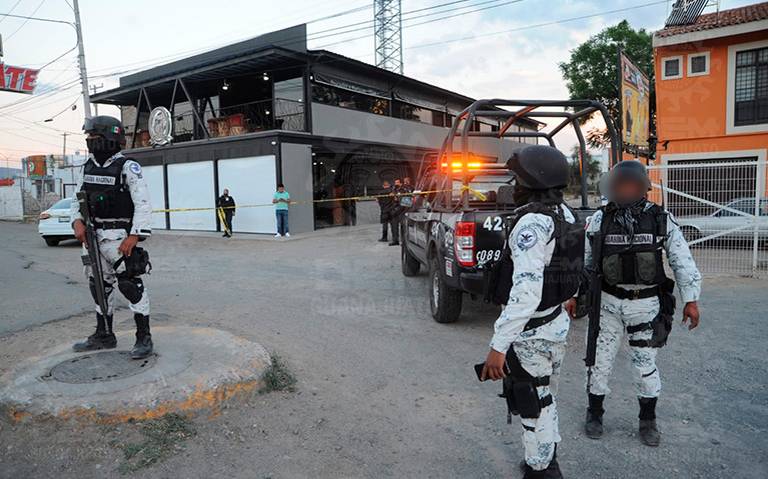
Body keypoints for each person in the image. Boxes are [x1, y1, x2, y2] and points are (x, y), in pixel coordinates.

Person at [565, 160, 702, 447]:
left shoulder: (660, 219)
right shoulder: (600, 219)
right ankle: (595, 413)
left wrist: (691, 299)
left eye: (631, 185)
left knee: (645, 365)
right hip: (608, 304)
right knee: (599, 363)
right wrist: (574, 295)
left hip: (646, 305)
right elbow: (586, 262)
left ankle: (648, 421)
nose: (625, 189)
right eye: (620, 185)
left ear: (642, 188)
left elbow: (681, 259)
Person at [482, 145, 583, 479]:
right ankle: (546, 456)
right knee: (544, 393)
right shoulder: (564, 213)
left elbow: (526, 292)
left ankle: (541, 470)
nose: (513, 186)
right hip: (554, 322)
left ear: (531, 182)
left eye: (518, 179)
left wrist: (498, 346)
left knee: (530, 402)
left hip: (532, 332)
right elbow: (573, 263)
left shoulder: (532, 224)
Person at [70, 115, 154, 359]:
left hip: (120, 237)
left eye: (94, 137)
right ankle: (104, 334)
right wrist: (77, 222)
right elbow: (78, 200)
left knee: (129, 285)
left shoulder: (128, 167)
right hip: (93, 237)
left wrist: (135, 236)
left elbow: (143, 204)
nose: (90, 141)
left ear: (108, 138)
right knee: (98, 286)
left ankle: (143, 338)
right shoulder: (87, 167)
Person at [388, 179, 406, 246]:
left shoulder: (404, 189)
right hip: (394, 210)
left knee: (403, 227)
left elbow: (406, 201)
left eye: (397, 182)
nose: (396, 184)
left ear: (401, 183)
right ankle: (395, 240)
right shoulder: (393, 189)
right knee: (394, 226)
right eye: (395, 182)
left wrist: (397, 198)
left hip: (402, 210)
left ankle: (404, 241)